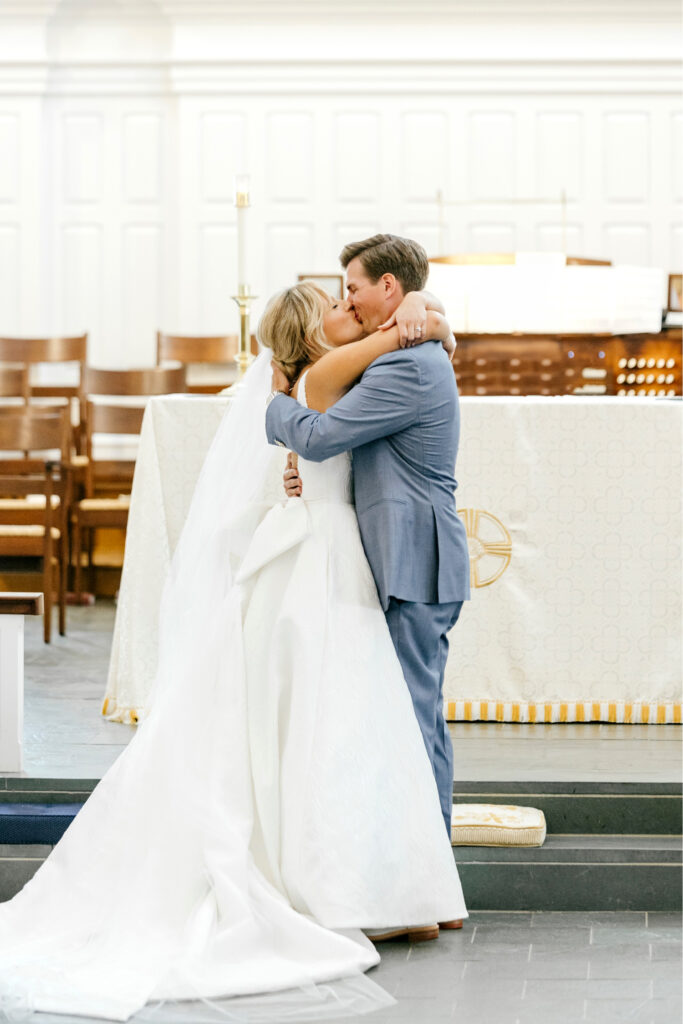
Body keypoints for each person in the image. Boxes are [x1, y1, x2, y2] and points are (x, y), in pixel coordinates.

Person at [0, 281, 467, 1022]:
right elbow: (321, 426)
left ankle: (388, 888)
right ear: (315, 332)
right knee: (324, 724)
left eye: (352, 300)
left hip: (332, 553)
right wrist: (418, 321)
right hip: (318, 562)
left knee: (348, 730)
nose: (351, 311)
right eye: (339, 307)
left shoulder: (325, 373)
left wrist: (428, 310)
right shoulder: (318, 378)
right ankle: (346, 887)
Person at [267, 234, 471, 848]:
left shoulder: (406, 365)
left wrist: (273, 404)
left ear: (389, 287)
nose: (349, 302)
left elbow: (323, 438)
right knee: (397, 714)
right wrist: (430, 313)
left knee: (414, 715)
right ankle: (397, 860)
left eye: (353, 289)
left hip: (414, 559)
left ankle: (430, 864)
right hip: (394, 554)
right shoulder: (395, 351)